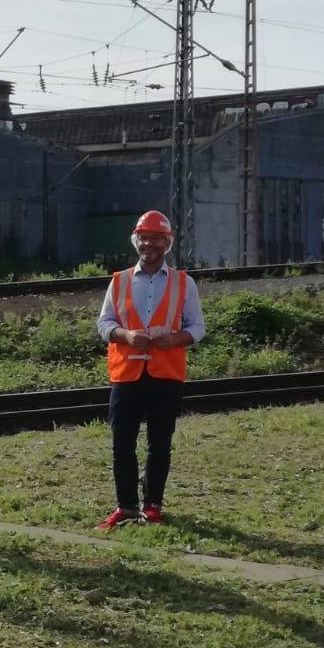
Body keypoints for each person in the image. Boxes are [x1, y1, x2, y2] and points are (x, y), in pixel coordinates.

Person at [93, 210, 206, 530]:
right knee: (122, 442)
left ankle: (153, 505)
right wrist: (126, 336)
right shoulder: (119, 281)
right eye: (144, 238)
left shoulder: (185, 283)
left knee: (160, 443)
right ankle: (126, 506)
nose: (149, 244)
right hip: (126, 374)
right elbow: (104, 324)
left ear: (167, 243)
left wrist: (174, 339)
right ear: (136, 241)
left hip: (165, 375)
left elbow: (197, 327)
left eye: (156, 238)